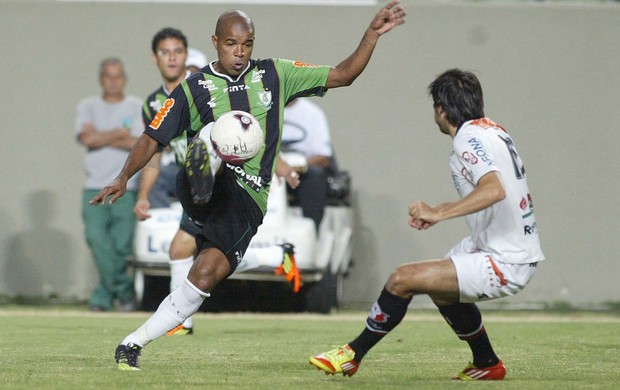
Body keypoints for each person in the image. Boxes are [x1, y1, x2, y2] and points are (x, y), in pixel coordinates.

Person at [90, 1, 406, 371]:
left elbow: (343, 74)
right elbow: (151, 137)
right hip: (201, 186)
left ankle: (131, 344)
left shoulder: (275, 74)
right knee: (212, 132)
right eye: (230, 44)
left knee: (203, 277)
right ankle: (205, 169)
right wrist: (123, 176)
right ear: (215, 42)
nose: (239, 52)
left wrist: (370, 35)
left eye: (247, 44)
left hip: (247, 200)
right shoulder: (194, 88)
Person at [309, 69, 545, 381]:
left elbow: (494, 189)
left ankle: (352, 354)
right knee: (441, 291)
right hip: (500, 245)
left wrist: (438, 212)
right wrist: (441, 210)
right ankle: (487, 362)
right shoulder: (494, 130)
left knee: (401, 279)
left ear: (441, 109)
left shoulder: (466, 138)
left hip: (505, 257)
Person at [75, 57, 143, 312]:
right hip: (94, 184)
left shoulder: (136, 105)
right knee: (96, 238)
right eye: (108, 76)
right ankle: (125, 293)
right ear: (101, 79)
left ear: (124, 79)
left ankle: (102, 299)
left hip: (126, 185)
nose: (113, 81)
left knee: (121, 245)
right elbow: (86, 139)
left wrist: (101, 136)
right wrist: (120, 133)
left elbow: (138, 144)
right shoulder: (88, 106)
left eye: (117, 76)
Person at [282, 98, 333, 230]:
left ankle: (312, 229)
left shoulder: (312, 113)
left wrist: (297, 166)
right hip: (268, 170)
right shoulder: (260, 110)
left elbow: (323, 157)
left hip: (301, 172)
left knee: (315, 175)